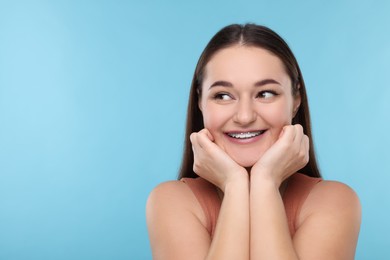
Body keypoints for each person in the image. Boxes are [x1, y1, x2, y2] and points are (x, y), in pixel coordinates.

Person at [146, 23, 361, 259]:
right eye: (223, 95)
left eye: (265, 93)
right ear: (200, 102)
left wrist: (265, 181)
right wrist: (235, 184)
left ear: (296, 98)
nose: (245, 116)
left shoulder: (334, 202)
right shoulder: (171, 201)